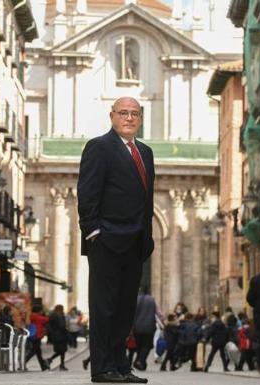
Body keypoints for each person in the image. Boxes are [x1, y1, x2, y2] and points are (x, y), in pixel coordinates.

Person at [77, 97, 154, 384]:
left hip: (135, 242)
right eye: (124, 113)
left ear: (141, 118)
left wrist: (147, 238)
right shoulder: (99, 147)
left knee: (125, 309)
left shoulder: (145, 152)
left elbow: (147, 199)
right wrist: (94, 232)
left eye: (135, 113)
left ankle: (121, 366)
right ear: (112, 116)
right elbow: (87, 193)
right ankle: (102, 368)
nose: (129, 118)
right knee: (104, 305)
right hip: (107, 240)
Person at [132, 287, 157, 371]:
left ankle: (140, 362)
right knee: (146, 346)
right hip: (149, 327)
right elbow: (156, 312)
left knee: (139, 345)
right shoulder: (151, 299)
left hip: (137, 327)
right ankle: (140, 361)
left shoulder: (135, 299)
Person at [26, 304, 49, 371]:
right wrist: (45, 314)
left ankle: (43, 366)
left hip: (35, 334)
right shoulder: (36, 316)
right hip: (36, 335)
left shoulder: (32, 315)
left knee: (38, 351)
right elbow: (46, 320)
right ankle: (24, 361)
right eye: (41, 310)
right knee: (35, 350)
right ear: (38, 311)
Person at [46, 305, 68, 371]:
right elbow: (62, 326)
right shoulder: (59, 316)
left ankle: (60, 364)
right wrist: (66, 329)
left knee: (61, 351)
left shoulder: (52, 315)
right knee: (62, 350)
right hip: (61, 335)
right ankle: (51, 360)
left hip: (55, 335)